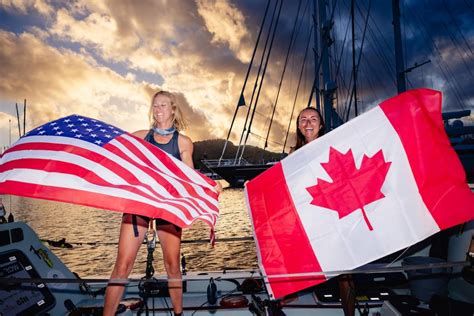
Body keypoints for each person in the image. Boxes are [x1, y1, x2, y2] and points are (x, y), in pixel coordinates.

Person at [103, 90, 195, 316]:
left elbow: (190, 175)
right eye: (155, 105)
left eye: (163, 105)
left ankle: (178, 314)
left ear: (173, 109)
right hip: (139, 205)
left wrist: (211, 187)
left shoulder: (183, 142)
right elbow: (115, 147)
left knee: (172, 264)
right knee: (123, 264)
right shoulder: (141, 135)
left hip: (168, 207)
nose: (158, 109)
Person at [289, 107, 355, 316]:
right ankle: (292, 299)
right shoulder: (293, 154)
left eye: (313, 119)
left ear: (321, 124)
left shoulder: (331, 147)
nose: (308, 123)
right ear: (299, 126)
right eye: (304, 120)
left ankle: (350, 313)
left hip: (334, 213)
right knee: (300, 258)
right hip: (309, 215)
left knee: (344, 271)